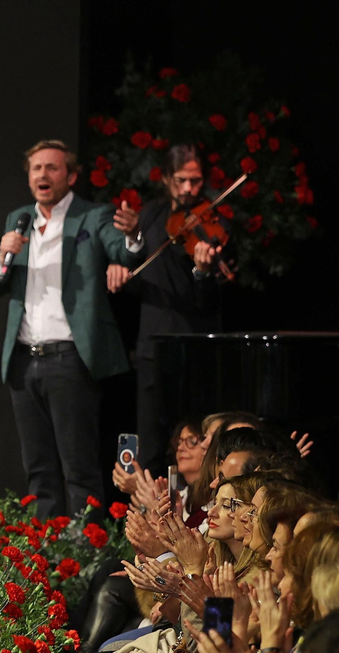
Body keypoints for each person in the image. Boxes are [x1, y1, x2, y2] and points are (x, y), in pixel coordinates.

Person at [0, 139, 139, 519]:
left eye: (51, 168)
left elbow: (123, 251)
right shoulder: (18, 220)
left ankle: (84, 559)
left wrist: (133, 235)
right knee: (39, 471)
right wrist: (4, 254)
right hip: (23, 360)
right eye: (36, 169)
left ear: (70, 175)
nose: (42, 175)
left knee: (79, 469)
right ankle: (47, 556)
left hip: (69, 358)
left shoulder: (92, 216)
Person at [106, 145, 225, 470]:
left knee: (197, 445)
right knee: (151, 445)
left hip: (195, 345)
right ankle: (152, 518)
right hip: (153, 345)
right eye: (182, 180)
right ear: (167, 179)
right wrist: (120, 271)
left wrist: (202, 272)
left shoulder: (211, 221)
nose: (189, 189)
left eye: (196, 181)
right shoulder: (150, 217)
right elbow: (141, 281)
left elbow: (214, 295)